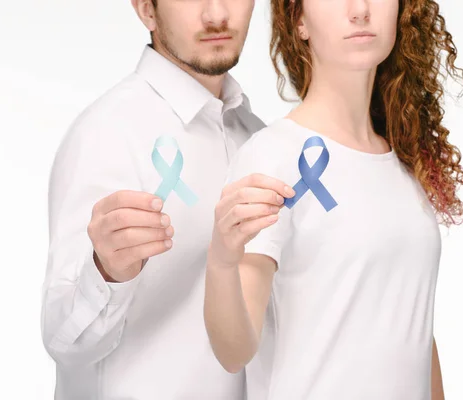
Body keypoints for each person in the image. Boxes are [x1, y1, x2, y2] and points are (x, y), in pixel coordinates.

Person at [204, 0, 463, 399]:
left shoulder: (401, 165)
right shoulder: (273, 157)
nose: (360, 9)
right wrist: (221, 261)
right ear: (299, 21)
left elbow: (412, 331)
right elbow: (234, 351)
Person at [41, 1, 293, 399]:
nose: (217, 15)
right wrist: (105, 273)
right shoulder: (108, 134)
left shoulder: (255, 135)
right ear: (147, 10)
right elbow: (62, 342)